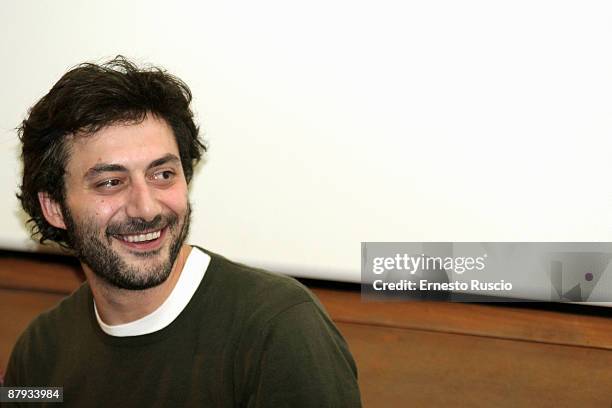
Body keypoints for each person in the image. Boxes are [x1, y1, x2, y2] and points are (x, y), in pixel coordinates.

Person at [4, 56, 361, 407]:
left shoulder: (278, 327)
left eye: (163, 175)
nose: (146, 208)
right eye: (111, 182)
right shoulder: (39, 353)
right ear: (54, 208)